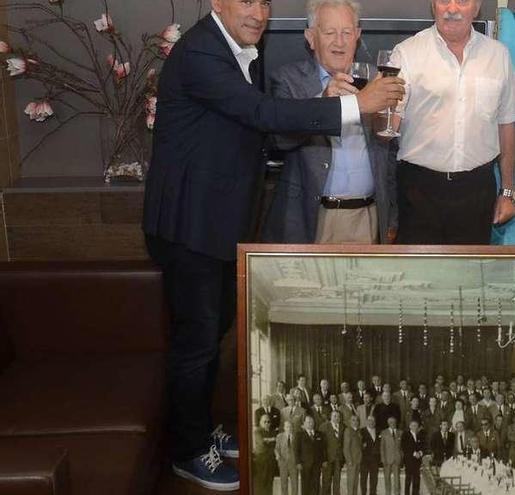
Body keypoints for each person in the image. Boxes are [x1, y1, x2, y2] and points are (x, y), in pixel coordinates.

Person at [142, 0, 404, 487]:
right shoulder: (201, 52)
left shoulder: (241, 51)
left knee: (213, 330)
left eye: (264, 2)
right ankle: (187, 450)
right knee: (196, 344)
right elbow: (263, 114)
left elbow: (250, 132)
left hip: (219, 224)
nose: (258, 12)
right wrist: (355, 105)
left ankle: (199, 431)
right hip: (189, 223)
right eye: (246, 1)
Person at [389, 0, 515, 244]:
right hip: (419, 191)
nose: (452, 9)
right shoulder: (406, 53)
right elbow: (387, 125)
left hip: (477, 191)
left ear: (477, 7)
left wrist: (507, 192)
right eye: (444, 1)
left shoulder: (498, 55)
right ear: (433, 5)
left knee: (471, 278)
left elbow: (507, 125)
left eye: (462, 1)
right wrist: (374, 107)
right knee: (415, 279)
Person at [262, 0, 398, 246]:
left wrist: (392, 217)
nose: (339, 41)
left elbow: (388, 156)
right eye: (329, 33)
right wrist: (324, 102)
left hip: (369, 218)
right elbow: (279, 139)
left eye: (347, 32)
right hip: (314, 220)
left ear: (357, 36)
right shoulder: (288, 80)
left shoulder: (374, 80)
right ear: (311, 37)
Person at [296, 415, 326, 494]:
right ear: (304, 423)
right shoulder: (299, 435)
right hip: (305, 464)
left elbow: (323, 449)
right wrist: (298, 462)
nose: (310, 424)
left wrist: (324, 460)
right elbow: (296, 450)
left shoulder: (319, 434)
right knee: (306, 486)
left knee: (316, 485)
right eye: (308, 422)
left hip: (317, 464)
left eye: (312, 422)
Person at [320, 410, 345, 495]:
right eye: (334, 416)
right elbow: (321, 445)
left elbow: (343, 443)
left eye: (338, 416)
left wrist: (343, 458)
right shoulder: (324, 427)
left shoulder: (343, 427)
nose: (336, 418)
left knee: (337, 481)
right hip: (327, 459)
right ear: (330, 417)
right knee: (326, 481)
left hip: (338, 459)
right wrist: (323, 459)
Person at [252, 414, 276, 495]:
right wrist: (271, 439)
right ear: (260, 422)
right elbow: (261, 443)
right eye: (264, 421)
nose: (266, 423)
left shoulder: (273, 431)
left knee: (270, 482)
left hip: (271, 461)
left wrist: (267, 440)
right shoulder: (257, 431)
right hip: (260, 461)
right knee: (261, 482)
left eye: (268, 422)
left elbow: (276, 443)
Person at [401, 419, 425, 495]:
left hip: (417, 461)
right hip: (409, 461)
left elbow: (423, 446)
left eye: (416, 426)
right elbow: (404, 447)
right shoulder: (405, 435)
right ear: (410, 426)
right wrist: (414, 453)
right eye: (413, 425)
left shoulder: (420, 435)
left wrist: (421, 453)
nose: (415, 427)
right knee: (408, 480)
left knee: (417, 479)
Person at [379, 417, 402, 495]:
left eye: (394, 422)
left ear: (396, 422)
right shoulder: (384, 433)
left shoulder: (400, 432)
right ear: (388, 423)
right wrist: (383, 459)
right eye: (390, 422)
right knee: (387, 480)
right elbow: (382, 447)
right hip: (387, 460)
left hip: (397, 460)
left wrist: (401, 457)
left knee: (397, 480)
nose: (392, 423)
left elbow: (402, 447)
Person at [275, 420, 299, 495]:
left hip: (293, 463)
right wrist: (277, 456)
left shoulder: (296, 436)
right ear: (284, 428)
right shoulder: (279, 436)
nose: (289, 428)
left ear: (293, 427)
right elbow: (276, 449)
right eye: (287, 427)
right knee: (284, 483)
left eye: (290, 427)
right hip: (283, 463)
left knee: (294, 483)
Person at [360, 415, 381, 495]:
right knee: (363, 479)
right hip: (364, 459)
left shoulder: (379, 431)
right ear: (366, 422)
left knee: (374, 479)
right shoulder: (361, 431)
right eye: (369, 420)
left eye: (373, 420)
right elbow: (358, 445)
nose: (371, 422)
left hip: (375, 459)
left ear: (375, 422)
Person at [343, 415, 363, 495]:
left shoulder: (358, 431)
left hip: (358, 460)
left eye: (357, 420)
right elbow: (346, 448)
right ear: (350, 422)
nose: (355, 422)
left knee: (355, 482)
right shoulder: (348, 431)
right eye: (353, 420)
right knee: (351, 482)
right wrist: (349, 460)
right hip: (352, 461)